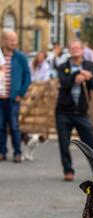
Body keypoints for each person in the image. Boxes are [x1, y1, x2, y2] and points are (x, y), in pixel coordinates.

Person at [55, 40, 93, 181]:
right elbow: (64, 84)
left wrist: (88, 78)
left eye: (77, 48)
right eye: (72, 48)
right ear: (69, 50)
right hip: (63, 112)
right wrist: (77, 75)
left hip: (81, 112)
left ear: (82, 50)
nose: (75, 50)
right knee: (64, 142)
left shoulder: (90, 66)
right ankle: (68, 170)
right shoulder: (63, 67)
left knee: (91, 142)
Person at [0, 31, 31, 163]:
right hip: (0, 98)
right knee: (0, 127)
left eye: (15, 40)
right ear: (4, 40)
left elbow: (27, 76)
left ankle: (17, 152)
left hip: (13, 99)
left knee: (14, 126)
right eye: (10, 40)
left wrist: (21, 93)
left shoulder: (20, 57)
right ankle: (2, 152)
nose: (13, 43)